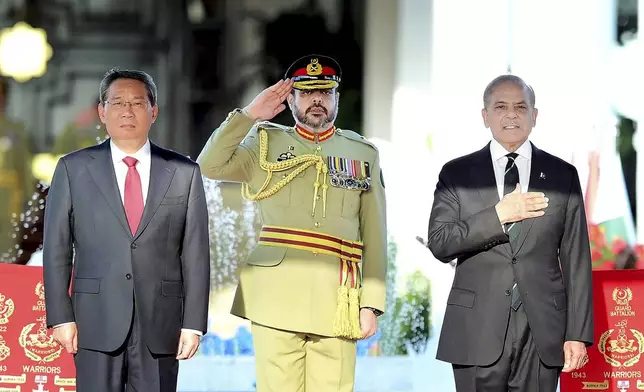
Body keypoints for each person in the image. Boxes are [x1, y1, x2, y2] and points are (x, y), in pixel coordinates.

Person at [197, 54, 387, 392]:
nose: (317, 100)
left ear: (336, 99)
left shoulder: (362, 153)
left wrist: (370, 302)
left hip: (338, 298)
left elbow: (374, 232)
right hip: (276, 296)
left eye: (325, 93)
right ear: (290, 99)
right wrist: (249, 115)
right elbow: (209, 165)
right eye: (307, 93)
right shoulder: (265, 142)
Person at [43, 68, 211, 391]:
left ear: (154, 112)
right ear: (102, 112)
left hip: (161, 326)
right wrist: (61, 316)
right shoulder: (73, 169)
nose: (127, 111)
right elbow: (56, 249)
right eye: (117, 103)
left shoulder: (183, 173)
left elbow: (195, 253)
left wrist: (193, 324)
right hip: (95, 321)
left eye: (137, 103)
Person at [427, 74, 593, 391]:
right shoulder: (457, 173)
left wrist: (577, 333)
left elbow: (577, 260)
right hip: (475, 327)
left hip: (543, 330)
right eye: (501, 106)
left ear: (534, 115)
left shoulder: (562, 175)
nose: (511, 114)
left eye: (521, 106)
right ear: (485, 116)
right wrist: (499, 215)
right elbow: (441, 242)